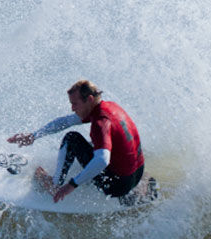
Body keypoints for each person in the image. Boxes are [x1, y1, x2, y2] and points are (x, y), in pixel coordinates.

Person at [7, 80, 145, 204]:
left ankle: (55, 185)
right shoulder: (108, 107)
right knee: (96, 144)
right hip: (137, 175)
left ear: (90, 99)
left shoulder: (100, 122)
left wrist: (72, 185)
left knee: (72, 139)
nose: (72, 108)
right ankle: (137, 187)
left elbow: (102, 160)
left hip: (116, 186)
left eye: (75, 104)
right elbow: (66, 121)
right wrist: (34, 136)